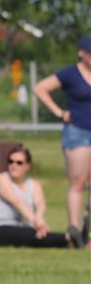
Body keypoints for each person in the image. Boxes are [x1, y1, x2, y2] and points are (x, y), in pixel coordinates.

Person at [33, 34, 91, 248]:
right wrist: (60, 112)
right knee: (78, 182)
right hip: (78, 131)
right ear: (82, 53)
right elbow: (40, 89)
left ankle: (87, 228)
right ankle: (74, 229)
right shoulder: (70, 73)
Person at [0, 145, 79, 248]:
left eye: (19, 163)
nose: (13, 165)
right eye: (10, 161)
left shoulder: (34, 184)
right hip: (0, 228)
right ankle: (68, 238)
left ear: (28, 166)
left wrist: (39, 220)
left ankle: (70, 241)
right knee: (26, 234)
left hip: (26, 227)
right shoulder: (1, 179)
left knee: (33, 234)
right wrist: (37, 223)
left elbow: (40, 205)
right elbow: (17, 203)